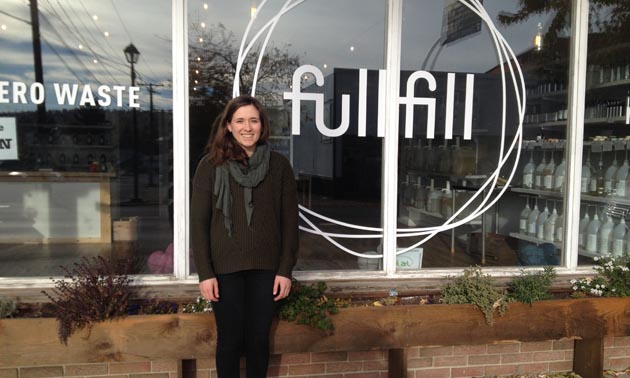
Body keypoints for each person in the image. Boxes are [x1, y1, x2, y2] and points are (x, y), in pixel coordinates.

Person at [191, 94, 299, 378]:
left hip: (267, 270)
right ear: (228, 126)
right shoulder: (209, 166)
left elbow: (290, 223)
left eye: (253, 120)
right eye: (240, 120)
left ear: (262, 126)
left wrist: (285, 270)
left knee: (258, 341)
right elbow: (199, 224)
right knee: (229, 341)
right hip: (224, 271)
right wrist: (205, 273)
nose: (247, 127)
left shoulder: (279, 166)